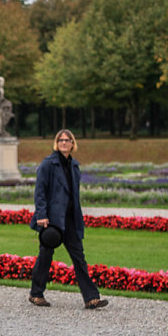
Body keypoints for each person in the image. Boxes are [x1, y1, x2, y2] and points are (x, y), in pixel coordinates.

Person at [28, 130, 109, 310]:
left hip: (71, 219)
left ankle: (91, 298)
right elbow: (40, 191)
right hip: (52, 220)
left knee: (79, 257)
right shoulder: (47, 164)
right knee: (45, 256)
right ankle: (36, 293)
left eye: (68, 140)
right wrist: (41, 215)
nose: (64, 143)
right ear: (57, 143)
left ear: (73, 144)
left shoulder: (74, 166)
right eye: (61, 140)